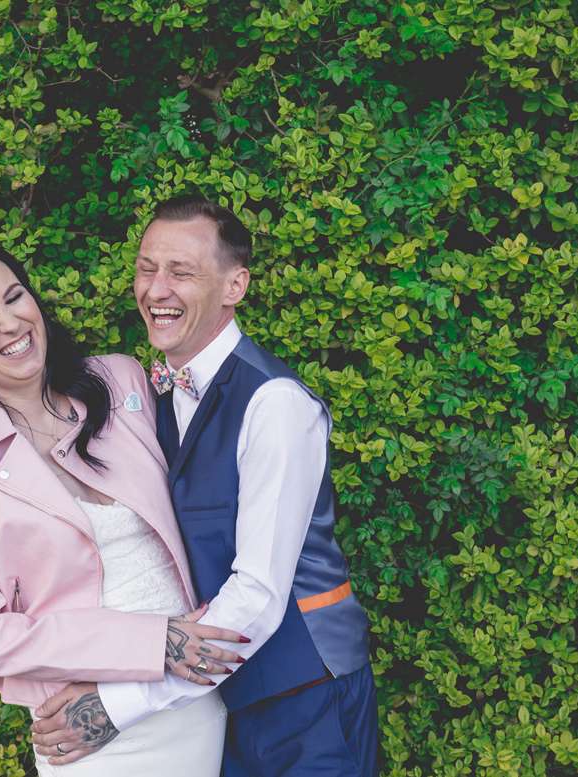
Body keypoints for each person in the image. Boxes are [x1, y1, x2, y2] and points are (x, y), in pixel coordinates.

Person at [0, 236, 245, 776]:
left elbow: (205, 508)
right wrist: (155, 642)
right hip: (83, 729)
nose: (10, 323)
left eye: (14, 296)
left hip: (193, 702)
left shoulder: (121, 380)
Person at [31, 196, 380, 776]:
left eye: (181, 272)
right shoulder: (149, 400)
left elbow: (258, 595)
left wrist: (115, 705)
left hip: (308, 696)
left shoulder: (275, 405)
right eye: (146, 268)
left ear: (234, 285)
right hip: (220, 703)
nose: (156, 289)